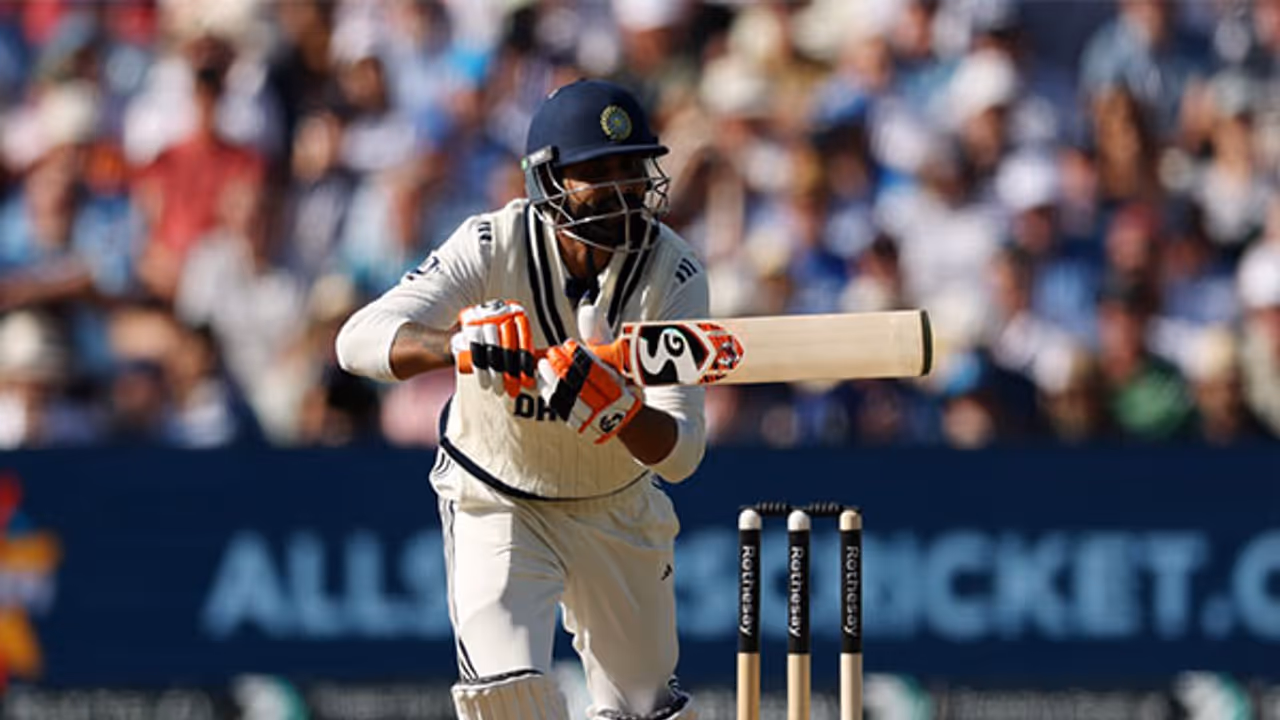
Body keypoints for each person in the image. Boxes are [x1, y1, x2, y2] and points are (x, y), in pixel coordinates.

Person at [335, 79, 707, 720]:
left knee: (645, 709)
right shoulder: (491, 244)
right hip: (498, 497)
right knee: (506, 699)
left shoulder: (675, 273)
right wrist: (458, 343)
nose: (622, 190)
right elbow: (356, 340)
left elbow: (682, 453)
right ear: (550, 182)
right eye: (599, 173)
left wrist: (620, 413)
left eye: (631, 169)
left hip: (616, 503)